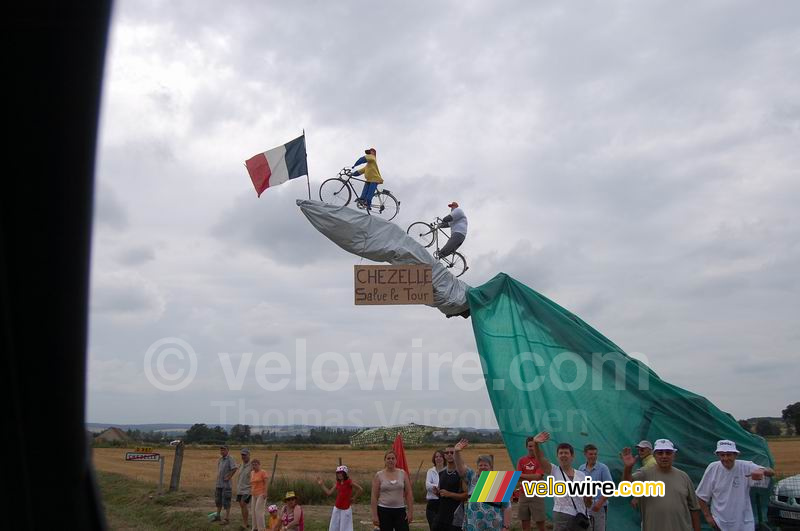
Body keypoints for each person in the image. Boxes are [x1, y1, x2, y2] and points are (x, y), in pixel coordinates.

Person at [621, 438, 701, 531]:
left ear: (674, 455)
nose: (664, 456)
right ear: (654, 455)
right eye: (660, 453)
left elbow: (694, 509)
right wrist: (628, 468)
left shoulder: (684, 477)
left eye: (668, 453)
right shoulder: (644, 475)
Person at [695, 439, 775, 531]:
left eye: (729, 455)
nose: (725, 458)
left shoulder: (746, 466)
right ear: (718, 455)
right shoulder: (713, 468)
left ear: (736, 455)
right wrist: (708, 517)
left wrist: (763, 471)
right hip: (720, 523)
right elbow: (701, 496)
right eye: (722, 455)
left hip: (744, 523)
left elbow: (771, 472)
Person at [531, 432, 592, 531]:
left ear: (572, 456)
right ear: (557, 457)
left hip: (581, 516)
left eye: (566, 453)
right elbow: (540, 459)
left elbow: (588, 503)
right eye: (561, 453)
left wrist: (589, 499)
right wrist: (536, 444)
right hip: (562, 516)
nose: (563, 455)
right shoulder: (554, 470)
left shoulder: (581, 475)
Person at [453, 439, 512, 531]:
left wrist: (506, 526)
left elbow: (507, 507)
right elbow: (460, 468)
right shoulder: (472, 477)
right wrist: (456, 452)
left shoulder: (498, 481)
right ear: (477, 467)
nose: (483, 467)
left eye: (485, 465)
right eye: (480, 465)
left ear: (491, 467)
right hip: (473, 523)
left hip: (493, 525)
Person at [371, 449, 414, 531]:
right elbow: (374, 496)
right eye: (388, 458)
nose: (391, 460)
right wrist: (374, 515)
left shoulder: (403, 474)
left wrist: (410, 512)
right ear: (385, 460)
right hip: (383, 511)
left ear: (396, 460)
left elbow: (408, 493)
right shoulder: (379, 475)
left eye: (393, 458)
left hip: (400, 510)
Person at [317, 465, 364, 531]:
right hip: (337, 508)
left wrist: (354, 498)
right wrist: (322, 485)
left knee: (345, 528)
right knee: (334, 527)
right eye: (338, 473)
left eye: (341, 473)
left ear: (344, 474)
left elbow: (360, 489)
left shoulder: (349, 482)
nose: (339, 475)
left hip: (345, 509)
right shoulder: (338, 483)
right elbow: (329, 492)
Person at [578, 444, 613, 531]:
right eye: (591, 454)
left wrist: (599, 503)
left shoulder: (603, 468)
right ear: (585, 454)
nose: (593, 456)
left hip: (599, 506)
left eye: (595, 454)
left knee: (599, 528)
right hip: (585, 506)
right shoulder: (581, 469)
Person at [433, 445, 467, 531]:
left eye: (452, 452)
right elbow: (442, 494)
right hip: (441, 514)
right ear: (444, 455)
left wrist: (450, 494)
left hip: (456, 516)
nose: (449, 454)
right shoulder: (441, 473)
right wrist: (437, 492)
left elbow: (467, 495)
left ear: (456, 454)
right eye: (447, 453)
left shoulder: (461, 473)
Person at [517, 436, 546, 531]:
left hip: (537, 494)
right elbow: (518, 477)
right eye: (530, 446)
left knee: (540, 524)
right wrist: (532, 476)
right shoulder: (521, 460)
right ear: (526, 447)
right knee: (525, 525)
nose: (531, 448)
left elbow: (538, 477)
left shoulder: (541, 460)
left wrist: (523, 475)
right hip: (523, 494)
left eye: (533, 446)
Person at [213, 445, 239, 524]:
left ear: (227, 450)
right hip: (219, 484)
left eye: (223, 450)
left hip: (226, 485)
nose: (222, 451)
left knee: (226, 501)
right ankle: (218, 516)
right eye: (221, 450)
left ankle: (227, 518)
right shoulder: (220, 459)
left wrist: (229, 476)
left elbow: (234, 468)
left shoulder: (230, 459)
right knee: (218, 501)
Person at [425, 450, 446, 531]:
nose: (438, 458)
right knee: (433, 527)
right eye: (436, 457)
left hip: (444, 503)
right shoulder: (430, 471)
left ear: (444, 458)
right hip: (432, 504)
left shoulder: (448, 471)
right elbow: (427, 485)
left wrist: (435, 486)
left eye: (440, 456)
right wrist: (438, 487)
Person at [237, 448, 254, 529]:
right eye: (242, 455)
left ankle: (245, 523)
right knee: (241, 505)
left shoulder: (252, 466)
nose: (243, 456)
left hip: (247, 489)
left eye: (245, 455)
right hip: (240, 489)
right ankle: (245, 523)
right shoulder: (241, 465)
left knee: (243, 504)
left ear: (249, 455)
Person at [251, 458, 269, 531]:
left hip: (261, 494)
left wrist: (265, 492)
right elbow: (252, 483)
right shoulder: (252, 473)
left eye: (256, 464)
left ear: (259, 465)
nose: (254, 466)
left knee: (258, 511)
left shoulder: (263, 472)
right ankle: (254, 528)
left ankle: (261, 528)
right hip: (253, 494)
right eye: (253, 465)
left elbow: (266, 483)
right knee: (253, 511)